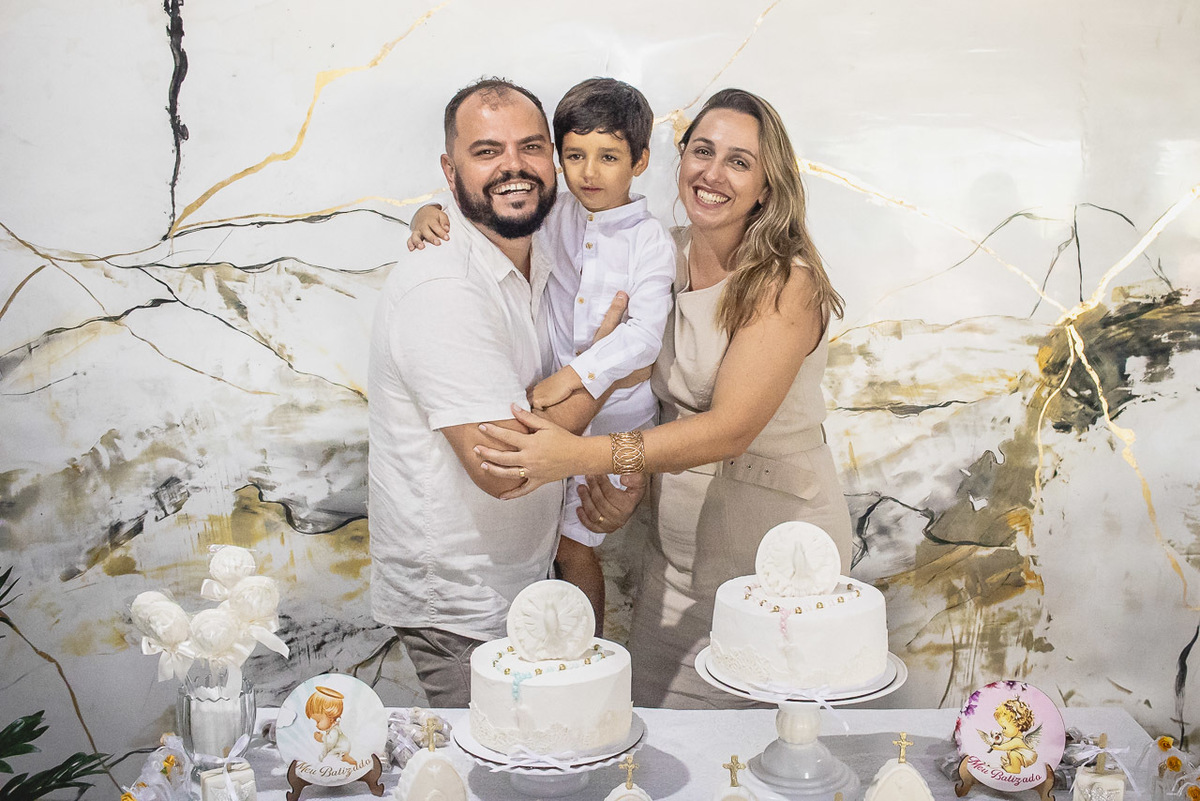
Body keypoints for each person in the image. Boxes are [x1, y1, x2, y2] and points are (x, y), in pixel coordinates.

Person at [472, 88, 854, 708]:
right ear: (675, 161)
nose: (712, 173)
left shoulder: (786, 284)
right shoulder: (656, 251)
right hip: (676, 554)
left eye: (739, 161)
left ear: (768, 184)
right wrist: (430, 221)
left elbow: (728, 430)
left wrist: (579, 457)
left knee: (771, 749)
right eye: (702, 151)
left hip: (780, 558)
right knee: (666, 736)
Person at [367, 78, 644, 707]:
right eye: (486, 151)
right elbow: (507, 469)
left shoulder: (543, 248)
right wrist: (606, 367)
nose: (513, 167)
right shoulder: (442, 287)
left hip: (527, 574)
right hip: (464, 606)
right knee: (502, 772)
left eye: (531, 147)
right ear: (449, 168)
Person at [407, 78, 676, 634]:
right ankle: (567, 661)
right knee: (555, 547)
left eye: (608, 158)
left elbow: (645, 339)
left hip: (621, 422)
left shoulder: (651, 241)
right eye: (574, 156)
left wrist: (574, 376)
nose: (589, 173)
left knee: (577, 545)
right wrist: (425, 211)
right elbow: (492, 206)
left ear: (641, 160)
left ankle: (589, 660)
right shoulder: (556, 216)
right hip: (556, 430)